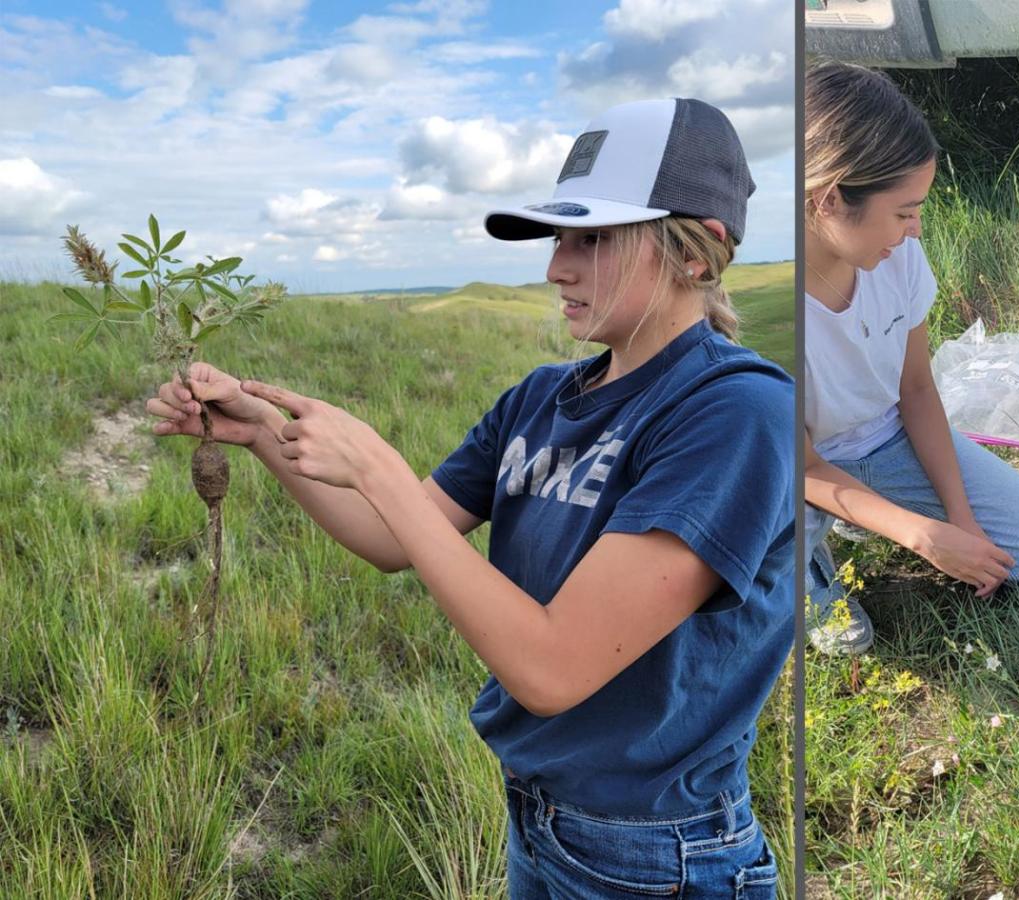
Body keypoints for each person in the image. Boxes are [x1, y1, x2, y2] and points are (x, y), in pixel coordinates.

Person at [146, 98, 792, 897]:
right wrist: (261, 434)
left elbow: (552, 668)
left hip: (660, 852)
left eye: (594, 240)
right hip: (538, 817)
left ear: (697, 253)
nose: (557, 268)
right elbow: (393, 538)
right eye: (559, 238)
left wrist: (377, 466)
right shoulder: (540, 398)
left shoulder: (735, 413)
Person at [801, 62, 1019, 656]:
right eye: (904, 211)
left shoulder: (898, 257)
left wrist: (960, 517)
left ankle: (864, 513)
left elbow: (916, 390)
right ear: (828, 200)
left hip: (885, 437)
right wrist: (922, 536)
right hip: (785, 471)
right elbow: (798, 464)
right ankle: (808, 568)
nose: (915, 229)